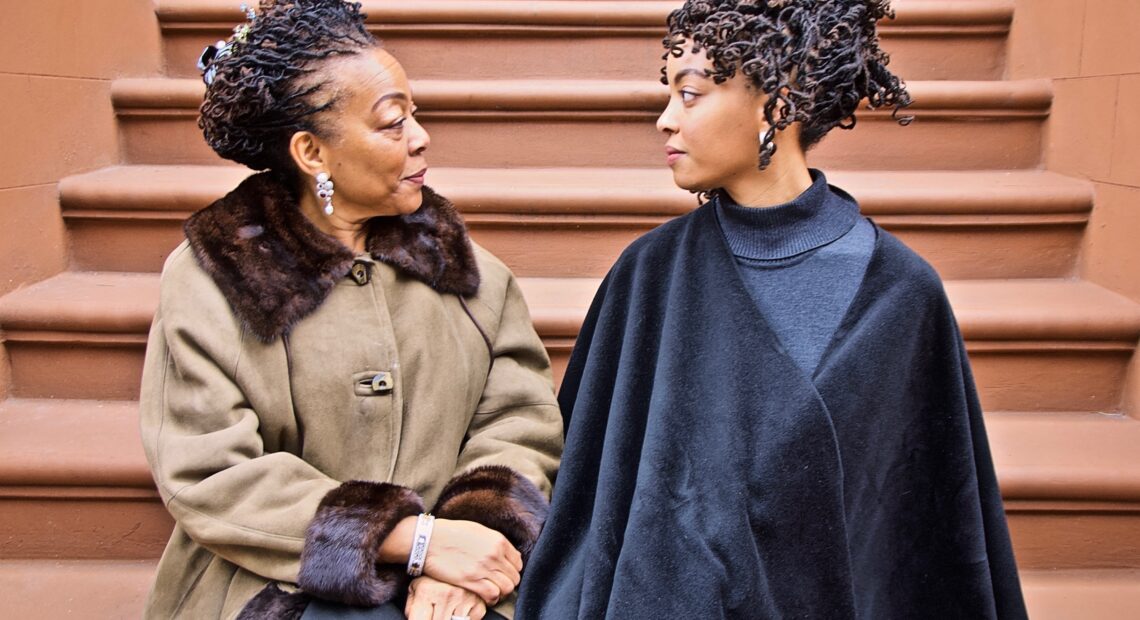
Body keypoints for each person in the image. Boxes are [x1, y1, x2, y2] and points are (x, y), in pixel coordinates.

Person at [516, 0, 1027, 618]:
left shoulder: (901, 294)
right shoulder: (648, 275)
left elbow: (922, 534)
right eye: (670, 95)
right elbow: (588, 497)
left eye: (692, 95)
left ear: (776, 105)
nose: (665, 120)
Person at [137, 2, 562, 618]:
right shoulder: (215, 277)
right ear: (312, 153)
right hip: (275, 585)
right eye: (392, 123)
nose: (420, 136)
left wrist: (465, 550)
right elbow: (208, 469)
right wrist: (411, 541)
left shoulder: (470, 274)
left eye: (413, 113)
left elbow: (520, 422)